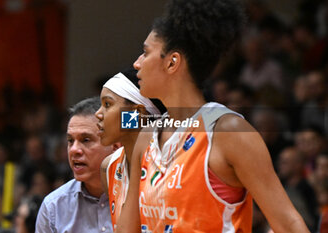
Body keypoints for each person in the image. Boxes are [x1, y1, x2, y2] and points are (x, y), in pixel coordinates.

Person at [117, 0, 310, 232]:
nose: (136, 63)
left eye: (146, 53)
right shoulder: (146, 136)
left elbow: (288, 223)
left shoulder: (229, 132)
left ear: (172, 62)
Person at [95, 68, 165, 231]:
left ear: (138, 113)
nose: (98, 114)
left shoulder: (169, 162)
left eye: (107, 104)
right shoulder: (108, 167)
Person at [35, 97, 119, 233]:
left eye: (86, 140)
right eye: (70, 141)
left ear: (115, 145)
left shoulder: (140, 197)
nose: (74, 150)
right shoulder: (53, 207)